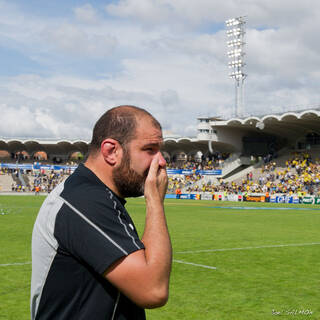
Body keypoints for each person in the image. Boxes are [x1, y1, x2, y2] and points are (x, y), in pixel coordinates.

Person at [30, 105, 172, 320]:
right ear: (111, 151)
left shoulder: (97, 196)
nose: (161, 161)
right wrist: (154, 202)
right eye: (150, 149)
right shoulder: (84, 201)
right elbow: (153, 290)